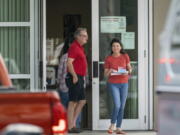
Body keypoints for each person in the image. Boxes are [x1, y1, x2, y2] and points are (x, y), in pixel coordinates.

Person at [104, 38, 132, 134]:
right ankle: (112, 124)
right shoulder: (108, 58)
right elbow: (105, 75)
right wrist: (110, 70)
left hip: (124, 83)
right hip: (113, 84)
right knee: (117, 105)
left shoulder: (125, 56)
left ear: (120, 47)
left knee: (122, 107)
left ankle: (118, 128)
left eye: (117, 46)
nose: (115, 47)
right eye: (113, 46)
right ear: (111, 48)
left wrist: (128, 72)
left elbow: (130, 69)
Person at [65, 27, 88, 133]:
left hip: (79, 77)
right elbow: (69, 63)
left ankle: (72, 123)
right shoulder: (74, 47)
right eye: (83, 35)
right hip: (75, 77)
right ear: (77, 36)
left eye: (86, 35)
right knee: (72, 102)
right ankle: (70, 127)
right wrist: (74, 76)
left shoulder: (80, 48)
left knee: (82, 101)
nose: (86, 38)